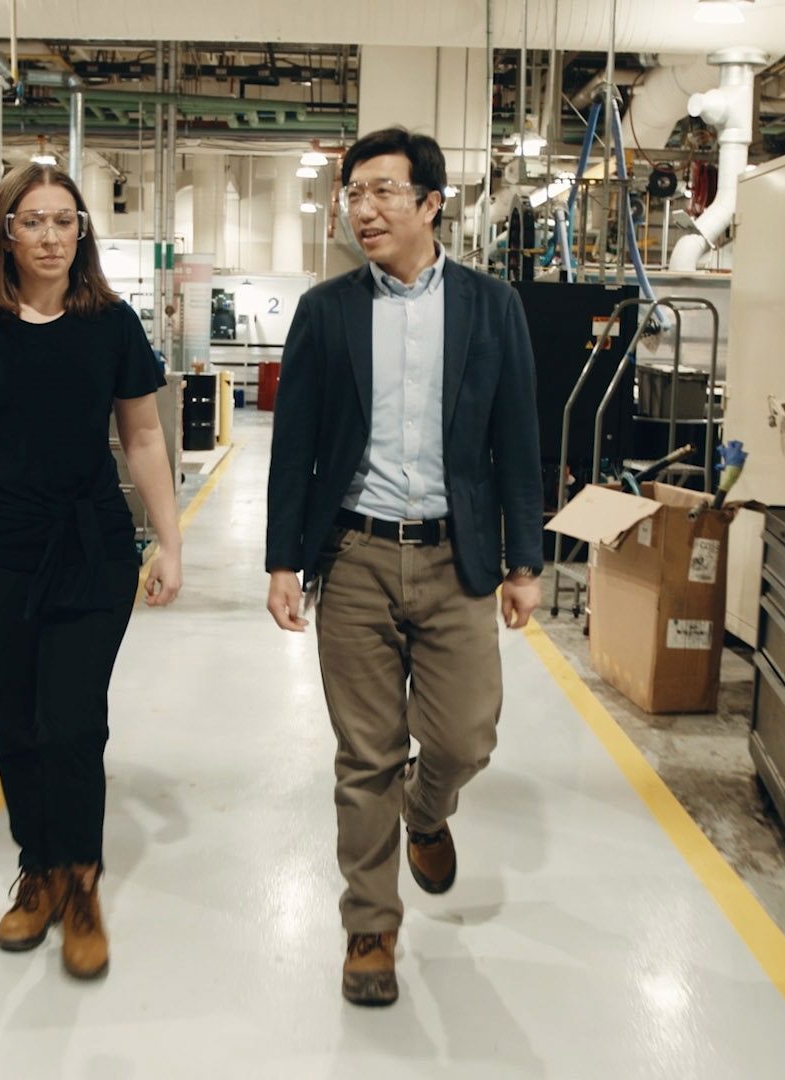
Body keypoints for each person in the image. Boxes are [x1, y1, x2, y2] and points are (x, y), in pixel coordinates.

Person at [264, 127, 545, 1006]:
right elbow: (296, 445)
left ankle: (428, 812)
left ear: (431, 204)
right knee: (365, 755)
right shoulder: (327, 310)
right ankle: (369, 932)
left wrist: (525, 561)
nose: (364, 208)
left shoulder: (491, 307)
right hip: (351, 555)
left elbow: (518, 441)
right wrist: (282, 562)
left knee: (465, 736)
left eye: (384, 191)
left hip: (456, 554)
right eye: (354, 193)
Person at [0, 164, 183, 981]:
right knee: (18, 726)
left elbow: (145, 438)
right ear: (6, 234)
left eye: (66, 221)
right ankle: (39, 868)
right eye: (35, 221)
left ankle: (82, 879)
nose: (52, 236)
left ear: (80, 234)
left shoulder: (112, 324)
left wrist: (170, 540)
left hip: (91, 546)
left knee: (74, 723)